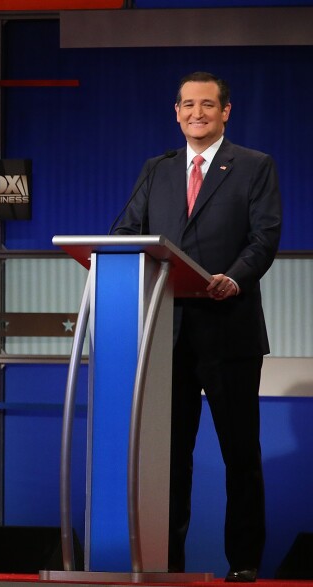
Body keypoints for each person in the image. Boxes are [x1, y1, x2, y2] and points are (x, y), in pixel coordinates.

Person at [116, 72, 281, 582]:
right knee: (169, 460)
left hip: (228, 331)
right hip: (166, 334)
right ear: (176, 111)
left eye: (207, 105)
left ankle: (244, 564)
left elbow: (265, 236)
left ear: (225, 112)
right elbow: (124, 231)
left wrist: (234, 277)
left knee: (240, 454)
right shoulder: (158, 169)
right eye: (188, 105)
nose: (197, 113)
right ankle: (168, 564)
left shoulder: (254, 166)